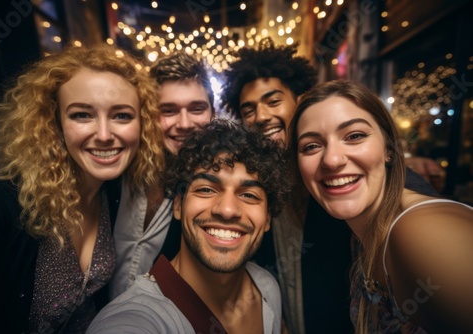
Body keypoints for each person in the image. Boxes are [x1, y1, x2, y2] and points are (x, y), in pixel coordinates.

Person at [220, 38, 442, 333]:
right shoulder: (260, 179)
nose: (261, 116)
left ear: (299, 101)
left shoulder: (337, 176)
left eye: (273, 101)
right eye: (248, 110)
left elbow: (397, 196)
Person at [0, 44, 164, 333]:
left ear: (142, 125)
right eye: (82, 115)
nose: (103, 135)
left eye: (121, 116)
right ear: (54, 123)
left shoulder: (113, 192)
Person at [291, 80, 473, 333]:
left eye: (354, 136)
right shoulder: (360, 236)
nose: (332, 160)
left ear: (389, 148)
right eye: (311, 146)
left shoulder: (420, 229)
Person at [87, 120, 289, 333]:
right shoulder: (136, 320)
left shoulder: (266, 287)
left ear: (267, 219)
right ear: (178, 205)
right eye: (206, 190)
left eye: (249, 195)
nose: (227, 209)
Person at [109, 51, 215, 299]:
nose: (185, 123)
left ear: (213, 113)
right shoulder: (113, 171)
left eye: (197, 108)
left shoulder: (213, 191)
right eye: (168, 110)